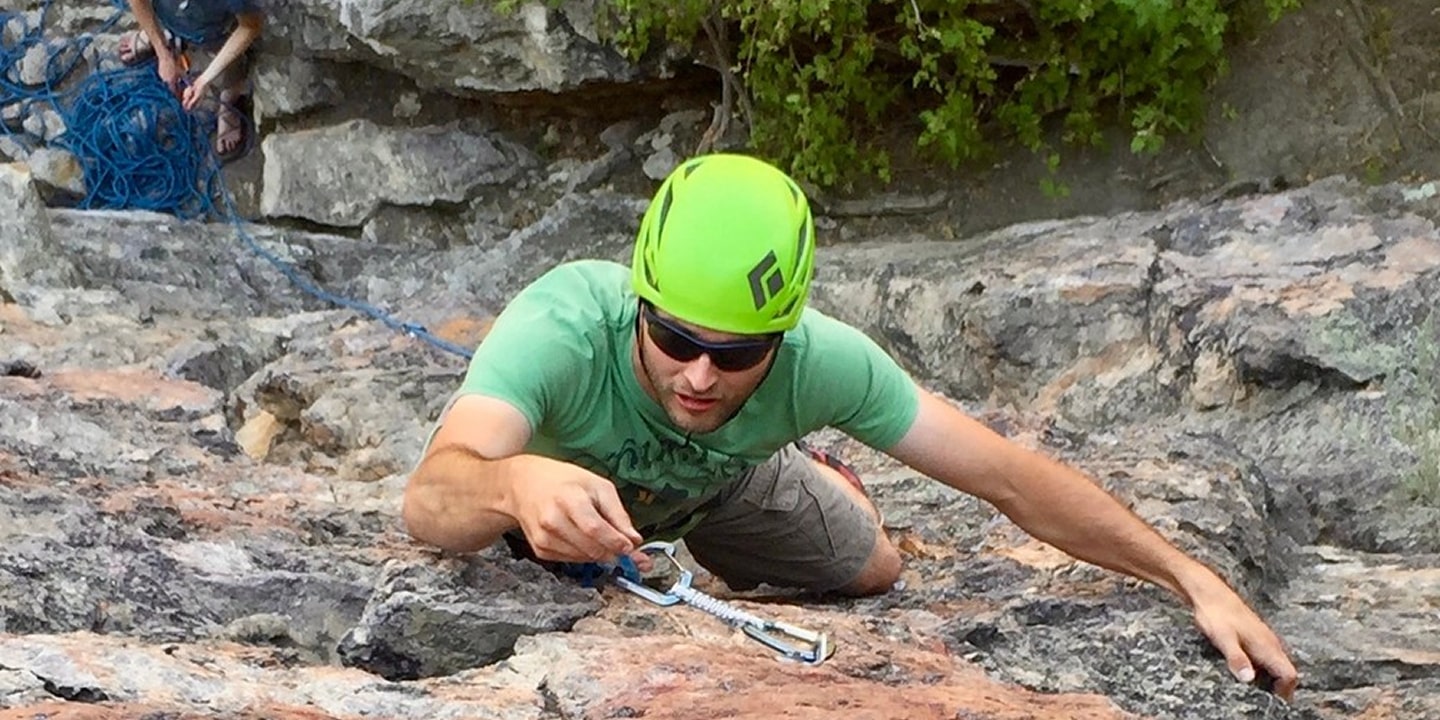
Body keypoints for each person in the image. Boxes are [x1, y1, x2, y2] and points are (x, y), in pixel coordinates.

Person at [402, 153, 1300, 700]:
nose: (703, 374)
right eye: (675, 338)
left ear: (783, 333)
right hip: (551, 496)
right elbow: (432, 493)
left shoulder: (825, 359)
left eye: (741, 352)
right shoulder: (562, 327)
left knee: (873, 570)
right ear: (640, 299)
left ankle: (802, 467)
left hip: (717, 489)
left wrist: (1192, 579)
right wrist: (515, 483)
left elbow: (1011, 479)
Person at [119, 0, 263, 162]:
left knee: (229, 58)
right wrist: (163, 55)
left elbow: (249, 26)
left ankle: (230, 97)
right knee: (160, 11)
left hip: (216, 27)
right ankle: (161, 34)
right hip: (168, 11)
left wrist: (204, 80)